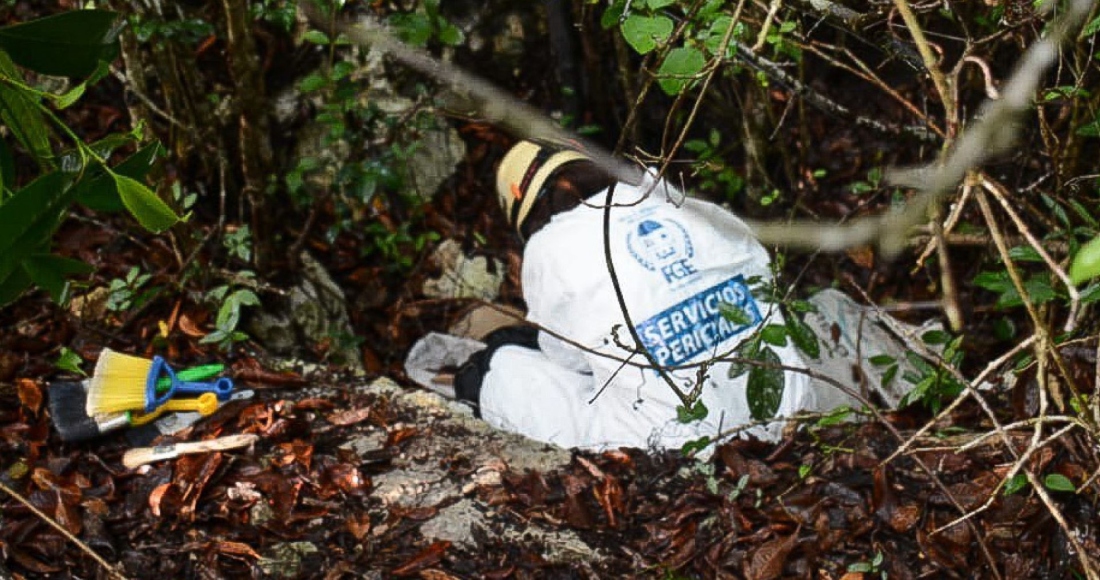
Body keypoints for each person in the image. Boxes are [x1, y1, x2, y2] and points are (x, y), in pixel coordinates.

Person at [451, 140, 821, 452]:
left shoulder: (549, 246)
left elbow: (568, 359)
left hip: (682, 447)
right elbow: (762, 277)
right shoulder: (673, 196)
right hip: (790, 412)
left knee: (500, 370)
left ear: (526, 212)